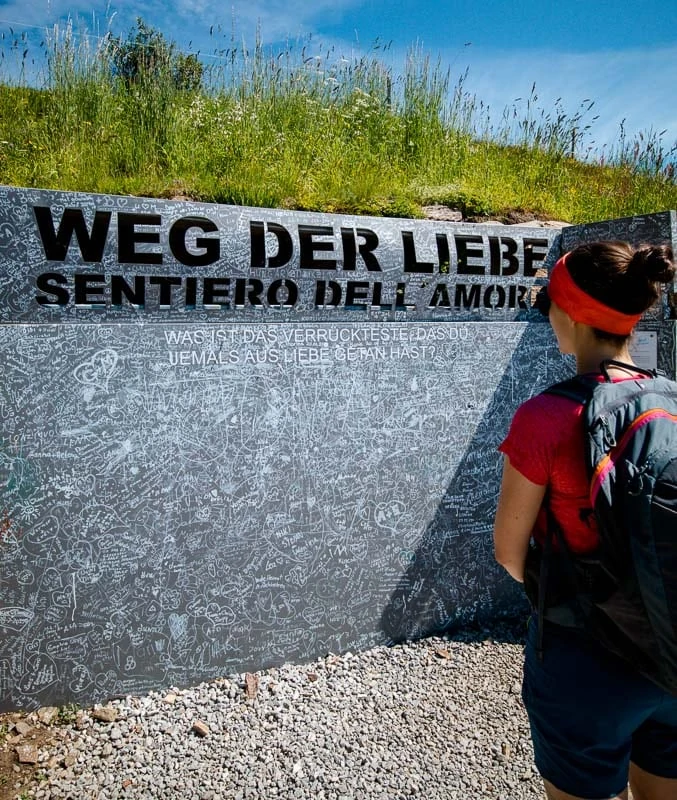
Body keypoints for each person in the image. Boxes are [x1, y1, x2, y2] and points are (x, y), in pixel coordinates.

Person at [493, 240, 677, 800]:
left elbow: (508, 551)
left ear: (570, 315)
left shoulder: (546, 417)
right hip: (671, 645)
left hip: (586, 660)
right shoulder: (671, 398)